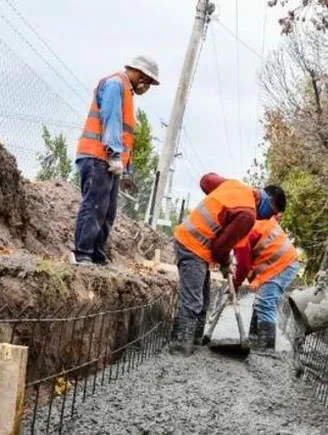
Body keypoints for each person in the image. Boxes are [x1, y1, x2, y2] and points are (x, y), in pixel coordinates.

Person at [169, 173, 287, 355]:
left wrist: (221, 201)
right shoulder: (248, 215)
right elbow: (219, 248)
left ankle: (196, 344)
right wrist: (226, 264)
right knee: (193, 300)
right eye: (271, 212)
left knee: (203, 299)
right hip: (192, 244)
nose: (267, 217)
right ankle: (180, 347)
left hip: (198, 247)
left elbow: (206, 180)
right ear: (268, 199)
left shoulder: (235, 186)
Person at [71, 56, 160, 266]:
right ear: (140, 74)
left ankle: (97, 255)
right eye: (147, 82)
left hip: (109, 161)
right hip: (97, 156)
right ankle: (82, 254)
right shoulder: (115, 84)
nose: (146, 87)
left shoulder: (126, 92)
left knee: (107, 211)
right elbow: (111, 120)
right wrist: (114, 154)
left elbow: (125, 133)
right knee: (94, 206)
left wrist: (125, 168)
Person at [232, 214, 299, 351]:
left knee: (265, 304)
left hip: (283, 264)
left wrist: (236, 283)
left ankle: (266, 352)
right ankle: (254, 342)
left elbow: (244, 265)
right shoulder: (250, 220)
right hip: (276, 264)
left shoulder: (242, 232)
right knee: (260, 302)